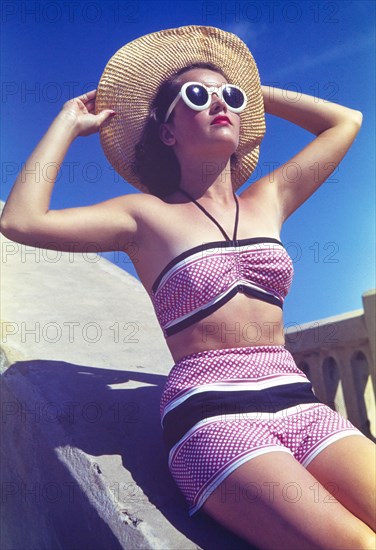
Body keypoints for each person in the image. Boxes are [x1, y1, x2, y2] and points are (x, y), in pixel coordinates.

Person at [1, 25, 375, 550]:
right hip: (212, 414)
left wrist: (247, 88)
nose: (220, 104)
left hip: (298, 400)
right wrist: (66, 122)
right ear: (167, 131)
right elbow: (21, 220)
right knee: (355, 545)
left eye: (230, 99)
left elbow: (345, 121)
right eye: (197, 96)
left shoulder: (269, 197)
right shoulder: (143, 217)